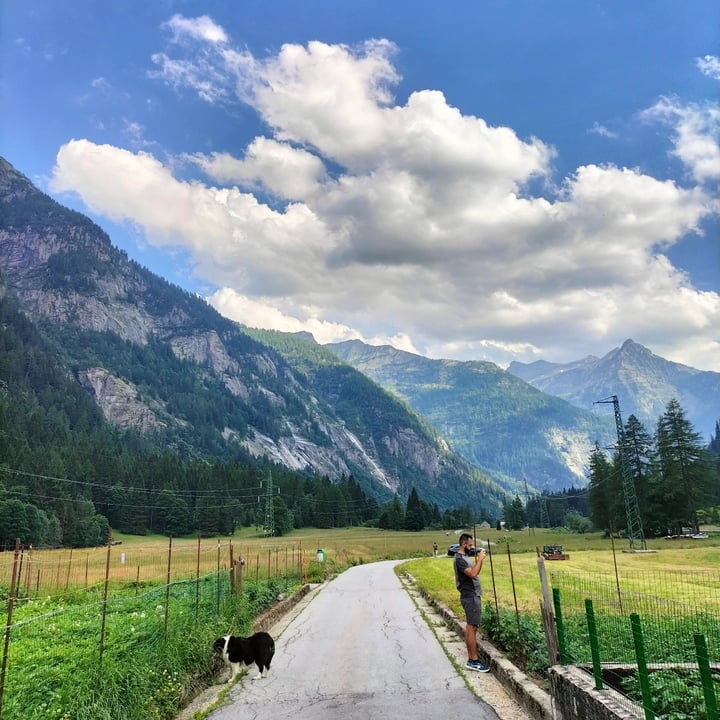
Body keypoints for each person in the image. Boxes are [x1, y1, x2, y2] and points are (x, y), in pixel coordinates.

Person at [453, 533, 490, 672]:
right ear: (463, 544)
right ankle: (473, 660)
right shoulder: (460, 560)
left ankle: (472, 658)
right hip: (470, 596)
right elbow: (473, 573)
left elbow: (475, 572)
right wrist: (480, 559)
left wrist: (479, 561)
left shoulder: (464, 557)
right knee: (471, 627)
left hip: (472, 595)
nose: (472, 547)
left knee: (472, 626)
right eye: (470, 545)